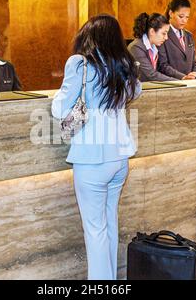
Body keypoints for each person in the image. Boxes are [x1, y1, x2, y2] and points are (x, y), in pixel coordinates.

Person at [52, 14, 141, 280]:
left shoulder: (79, 63)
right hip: (120, 158)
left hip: (92, 160)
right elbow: (136, 93)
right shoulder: (125, 65)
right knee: (109, 223)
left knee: (95, 230)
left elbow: (59, 108)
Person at [158, 0, 196, 80]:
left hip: (191, 83)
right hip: (173, 84)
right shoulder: (162, 35)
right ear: (171, 13)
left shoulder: (189, 35)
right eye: (181, 16)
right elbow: (162, 65)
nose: (184, 21)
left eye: (187, 17)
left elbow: (194, 62)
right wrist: (183, 77)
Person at [127, 12, 177, 82]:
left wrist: (182, 78)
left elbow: (162, 68)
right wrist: (178, 82)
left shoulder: (154, 46)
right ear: (152, 31)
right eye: (163, 33)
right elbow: (151, 75)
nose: (166, 38)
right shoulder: (136, 47)